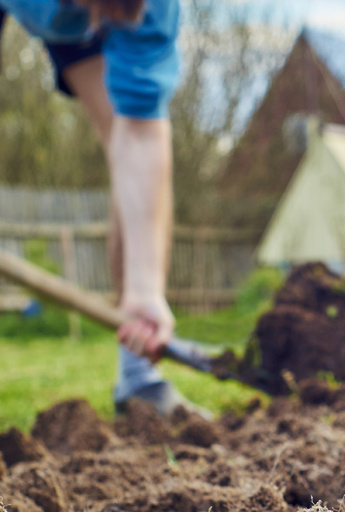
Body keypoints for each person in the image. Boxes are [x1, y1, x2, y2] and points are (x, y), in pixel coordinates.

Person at [0, 0, 207, 416]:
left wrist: (144, 290)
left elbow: (140, 134)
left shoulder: (152, 8)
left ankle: (139, 380)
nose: (94, 25)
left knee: (125, 133)